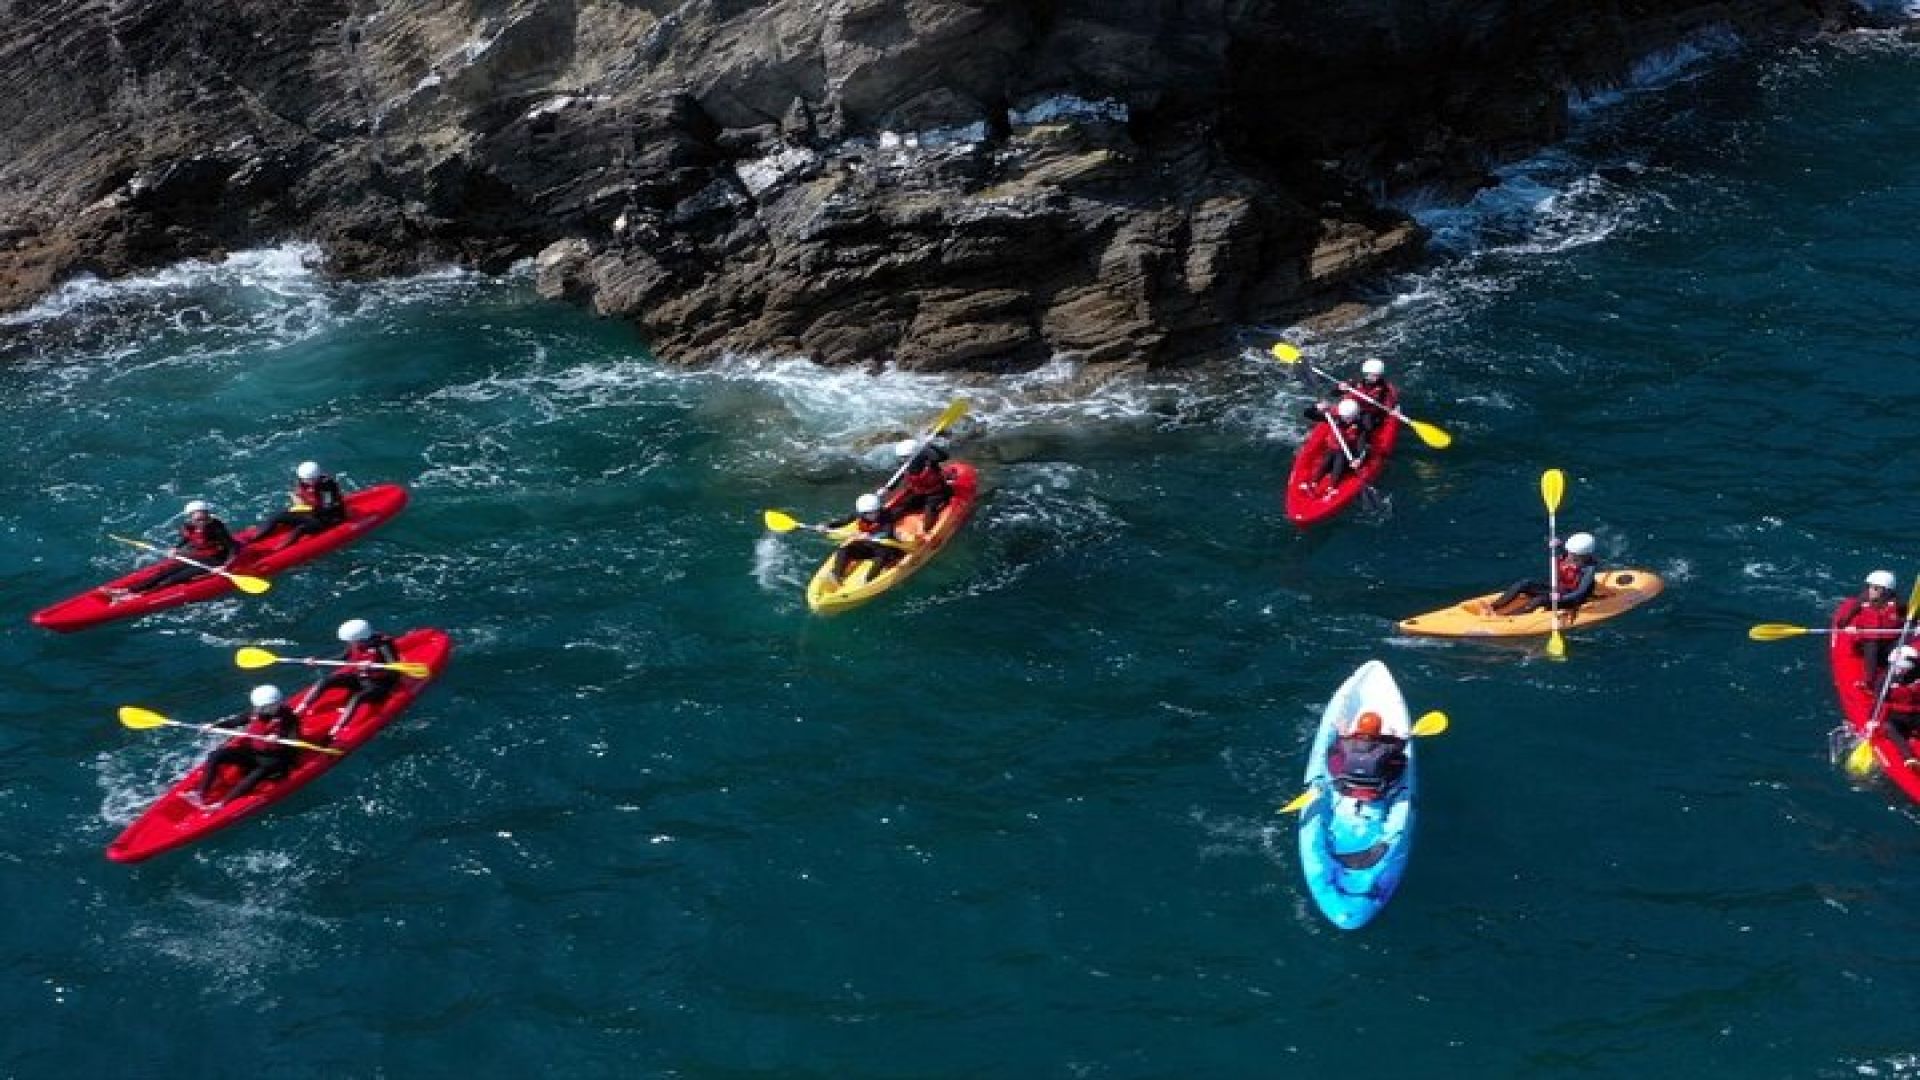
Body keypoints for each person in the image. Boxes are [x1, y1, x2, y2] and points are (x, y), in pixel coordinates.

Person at [195, 684, 304, 808]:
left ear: (274, 705)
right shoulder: (256, 712)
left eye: (262, 708)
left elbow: (295, 741)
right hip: (254, 752)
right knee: (216, 755)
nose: (258, 710)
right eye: (258, 707)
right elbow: (235, 722)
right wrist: (213, 726)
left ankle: (222, 804)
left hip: (275, 759)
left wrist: (278, 739)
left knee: (259, 772)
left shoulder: (289, 718)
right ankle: (201, 794)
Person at [307, 618, 402, 740]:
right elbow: (343, 657)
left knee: (356, 697)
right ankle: (301, 708)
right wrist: (319, 661)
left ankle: (336, 729)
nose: (350, 643)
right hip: (361, 678)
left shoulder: (383, 646)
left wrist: (375, 668)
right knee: (325, 681)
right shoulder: (357, 643)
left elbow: (394, 670)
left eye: (351, 641)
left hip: (381, 684)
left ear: (360, 638)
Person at [121, 500, 239, 596]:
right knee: (164, 573)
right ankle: (130, 590)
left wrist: (224, 566)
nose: (202, 521)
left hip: (216, 559)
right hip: (198, 556)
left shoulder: (216, 528)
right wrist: (176, 548)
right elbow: (188, 538)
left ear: (207, 514)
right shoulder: (188, 526)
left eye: (204, 517)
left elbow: (232, 548)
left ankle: (142, 595)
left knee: (173, 579)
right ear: (191, 517)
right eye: (198, 519)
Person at [1490, 532, 1599, 616]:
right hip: (1559, 588)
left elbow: (1580, 592)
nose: (1569, 556)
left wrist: (1560, 598)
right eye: (1569, 551)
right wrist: (1557, 544)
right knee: (1525, 583)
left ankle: (1509, 617)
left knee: (1539, 600)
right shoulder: (1573, 554)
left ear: (1583, 556)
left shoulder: (1589, 569)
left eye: (1572, 554)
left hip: (1570, 598)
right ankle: (1495, 606)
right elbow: (1564, 552)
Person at [255, 461, 347, 553]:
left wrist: (303, 506)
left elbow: (327, 508)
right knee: (278, 516)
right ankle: (253, 539)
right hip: (313, 511)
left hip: (329, 518)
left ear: (313, 478)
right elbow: (300, 494)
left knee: (300, 529)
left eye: (305, 479)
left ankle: (275, 552)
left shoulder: (327, 487)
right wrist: (298, 500)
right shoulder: (305, 482)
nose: (302, 480)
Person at [1838, 570, 1905, 689]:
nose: (1870, 590)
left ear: (1886, 591)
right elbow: (1847, 616)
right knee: (1871, 649)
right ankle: (1869, 681)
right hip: (1869, 639)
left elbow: (1908, 617)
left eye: (1875, 588)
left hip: (1890, 641)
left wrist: (1916, 625)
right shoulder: (1863, 600)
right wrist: (1845, 627)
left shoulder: (1898, 604)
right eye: (1870, 587)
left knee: (1899, 655)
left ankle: (1898, 681)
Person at [824, 493, 907, 583]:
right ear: (863, 513)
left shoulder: (886, 516)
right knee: (844, 549)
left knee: (882, 558)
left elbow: (887, 532)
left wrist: (871, 535)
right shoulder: (859, 515)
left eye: (876, 511)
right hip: (868, 546)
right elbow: (844, 521)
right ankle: (837, 575)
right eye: (870, 513)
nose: (875, 515)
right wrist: (827, 526)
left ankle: (868, 580)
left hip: (885, 547)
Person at [1327, 711, 1409, 799]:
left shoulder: (1344, 743)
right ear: (1378, 730)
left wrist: (1342, 735)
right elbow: (1400, 745)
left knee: (1334, 753)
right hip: (1377, 788)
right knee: (1401, 759)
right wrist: (1393, 736)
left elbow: (1332, 751)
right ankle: (1390, 788)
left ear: (1359, 726)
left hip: (1347, 787)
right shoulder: (1387, 747)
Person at [1298, 398, 1369, 495]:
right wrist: (1316, 407)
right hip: (1332, 448)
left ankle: (1332, 487)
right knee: (1325, 463)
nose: (1346, 420)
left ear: (1355, 416)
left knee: (1338, 465)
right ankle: (1313, 484)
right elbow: (1308, 414)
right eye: (1344, 417)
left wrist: (1359, 460)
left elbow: (1362, 446)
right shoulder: (1334, 419)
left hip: (1346, 452)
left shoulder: (1360, 427)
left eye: (1349, 418)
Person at [884, 437, 952, 532]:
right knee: (902, 506)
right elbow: (897, 478)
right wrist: (888, 488)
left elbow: (944, 456)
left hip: (937, 493)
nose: (903, 460)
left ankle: (925, 532)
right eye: (902, 457)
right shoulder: (906, 466)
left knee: (930, 510)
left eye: (906, 457)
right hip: (918, 493)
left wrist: (930, 445)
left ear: (916, 454)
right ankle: (884, 526)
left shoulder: (929, 461)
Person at [1342, 358, 1400, 437]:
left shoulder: (1385, 388)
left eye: (1377, 375)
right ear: (1365, 373)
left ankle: (1363, 443)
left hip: (1369, 412)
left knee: (1366, 426)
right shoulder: (1355, 381)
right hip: (1352, 407)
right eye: (1371, 375)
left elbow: (1390, 402)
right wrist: (1340, 388)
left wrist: (1392, 410)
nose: (1374, 378)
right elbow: (1335, 393)